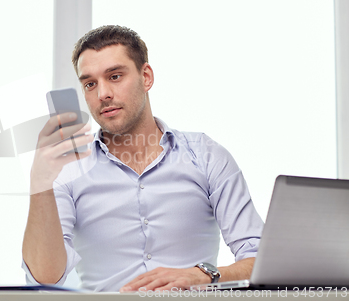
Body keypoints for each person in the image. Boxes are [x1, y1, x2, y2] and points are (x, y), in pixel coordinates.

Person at [21, 25, 263, 292]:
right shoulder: (67, 171)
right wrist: (39, 183)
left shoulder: (206, 156)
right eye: (90, 84)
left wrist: (202, 275)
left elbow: (260, 259)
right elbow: (44, 279)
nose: (102, 94)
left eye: (114, 76)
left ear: (146, 77)